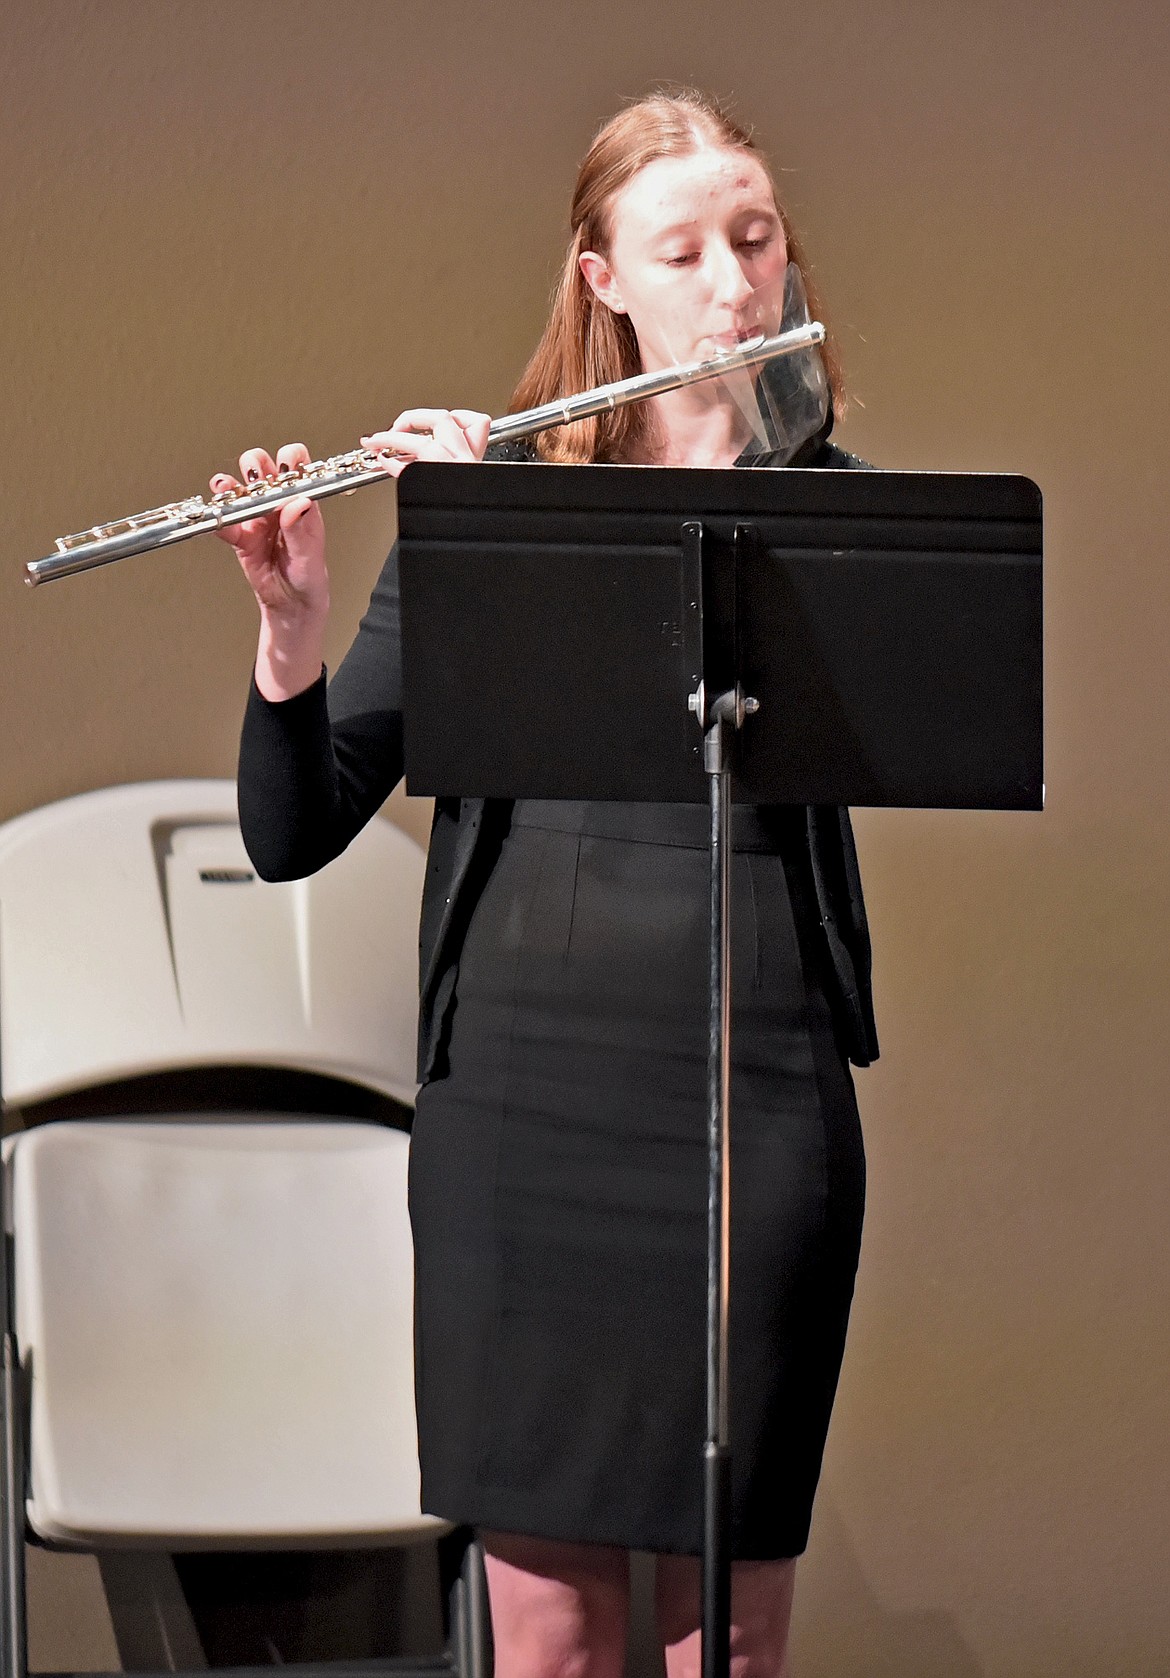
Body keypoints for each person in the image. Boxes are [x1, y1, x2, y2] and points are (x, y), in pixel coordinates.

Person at [222, 89, 877, 1678]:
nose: (735, 282)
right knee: (554, 1643)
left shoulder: (835, 509)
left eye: (756, 237)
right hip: (525, 1102)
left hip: (751, 1090)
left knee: (722, 1643)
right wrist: (298, 629)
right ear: (602, 281)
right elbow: (294, 824)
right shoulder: (502, 501)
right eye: (687, 249)